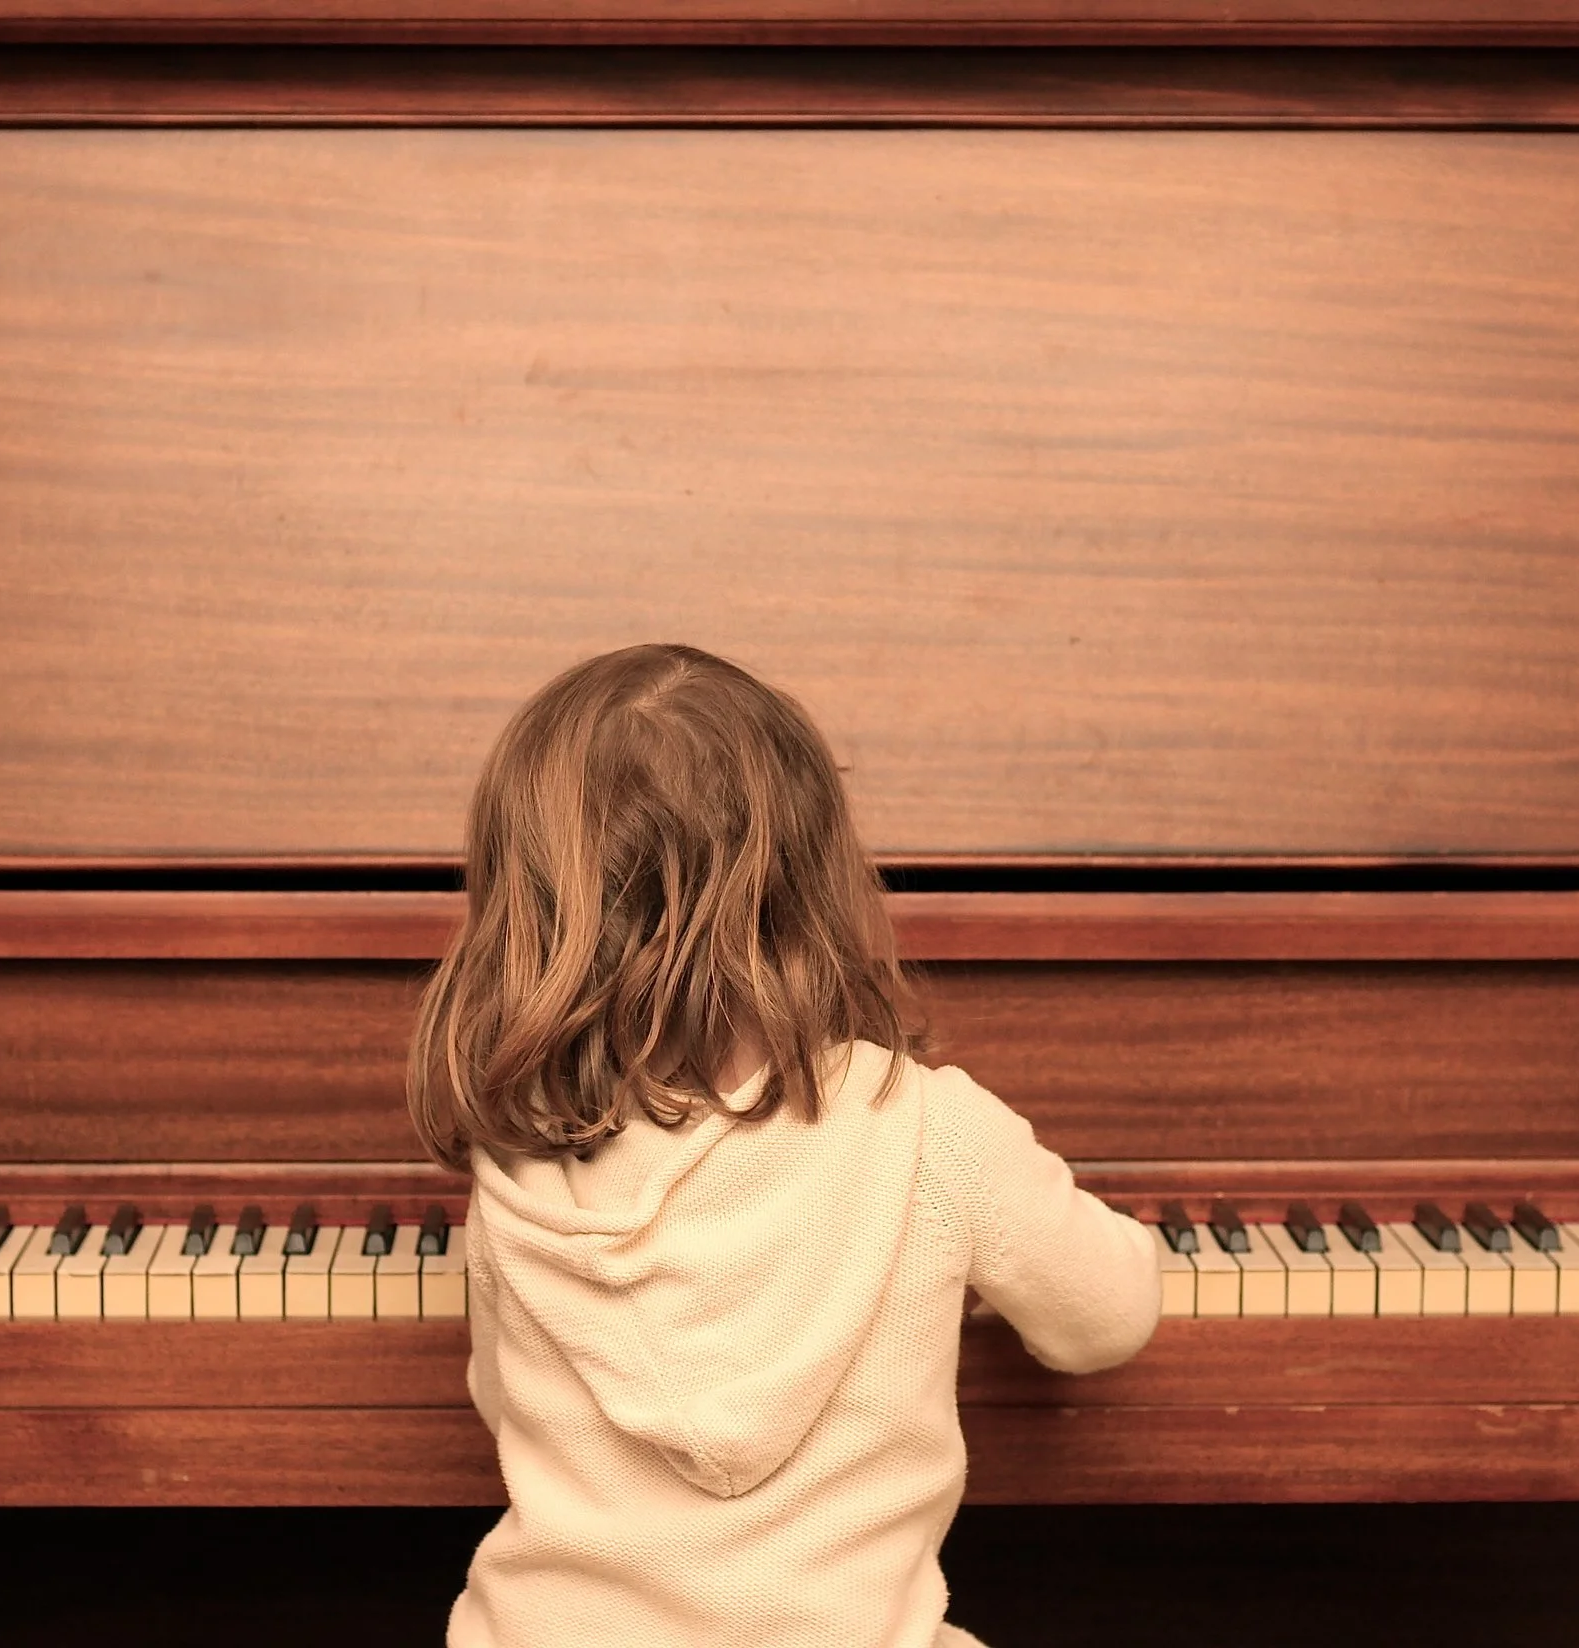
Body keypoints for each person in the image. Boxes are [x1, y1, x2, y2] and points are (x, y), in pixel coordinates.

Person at [410, 643, 1163, 1648]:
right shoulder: (930, 1128)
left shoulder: (526, 1151)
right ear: (813, 878)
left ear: (527, 907)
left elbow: (504, 1409)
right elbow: (1104, 1320)